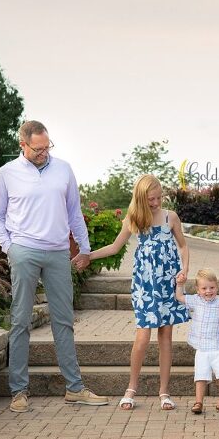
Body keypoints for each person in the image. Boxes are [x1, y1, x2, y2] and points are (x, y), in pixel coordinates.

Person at [0, 120, 108, 413]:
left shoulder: (63, 169)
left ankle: (74, 388)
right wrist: (10, 248)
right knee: (20, 321)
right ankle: (19, 391)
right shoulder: (6, 174)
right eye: (38, 149)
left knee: (64, 321)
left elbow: (74, 212)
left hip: (57, 253)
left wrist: (85, 248)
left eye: (47, 147)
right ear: (23, 145)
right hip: (24, 251)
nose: (44, 153)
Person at [80, 174, 189, 411]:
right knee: (142, 336)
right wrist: (89, 256)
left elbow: (183, 245)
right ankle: (131, 388)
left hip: (168, 282)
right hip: (145, 285)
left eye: (159, 198)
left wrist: (185, 271)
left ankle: (164, 392)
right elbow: (115, 247)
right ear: (141, 198)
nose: (156, 203)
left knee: (166, 337)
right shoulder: (135, 218)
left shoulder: (171, 217)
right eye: (151, 199)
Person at [174, 268, 219, 414]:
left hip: (218, 346)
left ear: (217, 287)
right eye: (204, 288)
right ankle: (198, 402)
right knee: (200, 375)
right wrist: (180, 284)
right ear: (197, 289)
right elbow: (179, 296)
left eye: (212, 287)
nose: (208, 291)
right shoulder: (195, 301)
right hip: (202, 348)